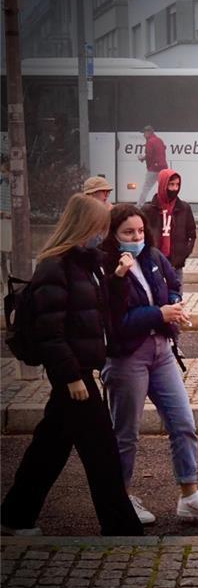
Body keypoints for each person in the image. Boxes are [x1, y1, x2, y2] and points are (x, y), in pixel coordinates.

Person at [1, 194, 143, 537]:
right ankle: (122, 529)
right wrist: (71, 377)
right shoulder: (55, 266)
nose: (102, 234)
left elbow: (100, 313)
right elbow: (51, 332)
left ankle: (14, 516)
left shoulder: (88, 264)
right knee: (102, 452)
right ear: (83, 226)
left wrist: (119, 279)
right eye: (99, 227)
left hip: (80, 370)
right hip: (74, 375)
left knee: (49, 447)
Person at [101, 204, 198, 525]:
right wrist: (159, 314)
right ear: (113, 236)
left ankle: (190, 495)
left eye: (140, 231)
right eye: (128, 233)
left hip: (161, 350)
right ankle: (121, 497)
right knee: (126, 433)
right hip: (127, 355)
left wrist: (173, 303)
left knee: (183, 422)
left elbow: (172, 285)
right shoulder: (107, 267)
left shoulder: (153, 257)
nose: (136, 237)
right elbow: (113, 318)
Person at [142, 168, 196, 287]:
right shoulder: (148, 209)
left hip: (175, 262)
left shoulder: (184, 208)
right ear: (163, 184)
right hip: (154, 261)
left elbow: (191, 234)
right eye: (171, 184)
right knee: (157, 294)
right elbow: (142, 234)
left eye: (177, 185)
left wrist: (184, 253)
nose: (175, 188)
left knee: (177, 296)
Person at [137, 125, 168, 207]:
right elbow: (164, 148)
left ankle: (140, 205)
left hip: (153, 169)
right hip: (163, 167)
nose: (143, 135)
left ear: (149, 132)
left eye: (144, 133)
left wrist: (142, 158)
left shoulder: (150, 142)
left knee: (146, 187)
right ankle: (166, 204)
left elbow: (149, 155)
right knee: (164, 188)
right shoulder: (159, 140)